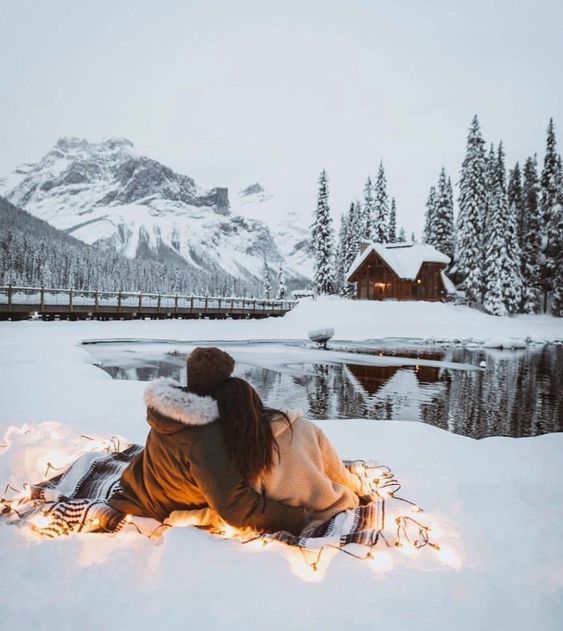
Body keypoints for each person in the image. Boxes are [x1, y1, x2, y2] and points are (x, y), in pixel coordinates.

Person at [109, 347, 308, 535]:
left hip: (136, 491)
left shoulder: (171, 410)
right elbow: (238, 509)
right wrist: (296, 517)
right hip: (156, 508)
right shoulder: (206, 437)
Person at [212, 377, 367, 528]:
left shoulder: (231, 452)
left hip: (285, 524)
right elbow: (337, 474)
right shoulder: (304, 427)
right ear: (256, 401)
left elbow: (236, 506)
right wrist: (360, 488)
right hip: (332, 511)